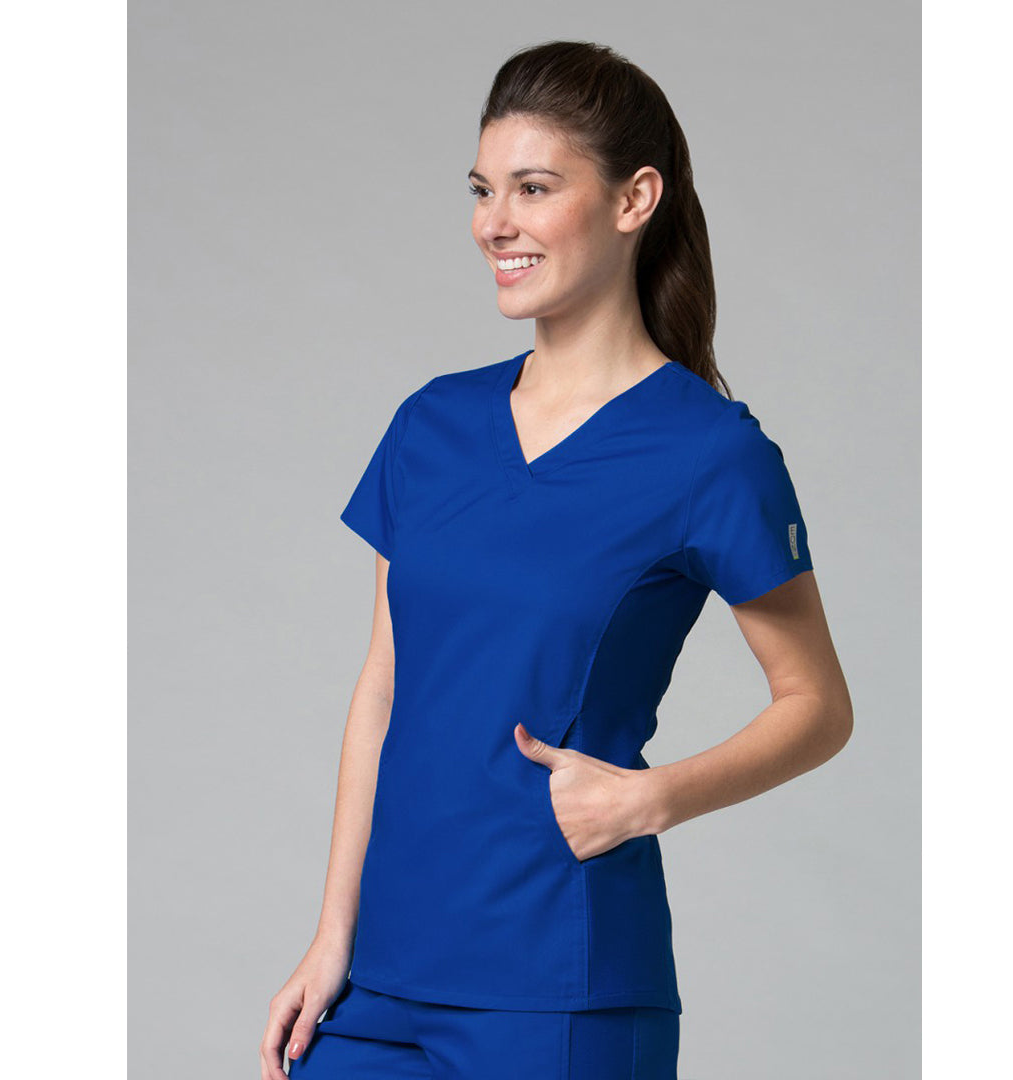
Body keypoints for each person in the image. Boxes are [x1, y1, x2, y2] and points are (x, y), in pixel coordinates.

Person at [260, 39, 853, 1080]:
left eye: (533, 188)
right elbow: (384, 687)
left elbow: (818, 705)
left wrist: (650, 798)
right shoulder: (432, 425)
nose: (495, 222)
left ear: (634, 199)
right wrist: (331, 937)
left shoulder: (710, 453)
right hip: (380, 980)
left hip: (559, 989)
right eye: (483, 190)